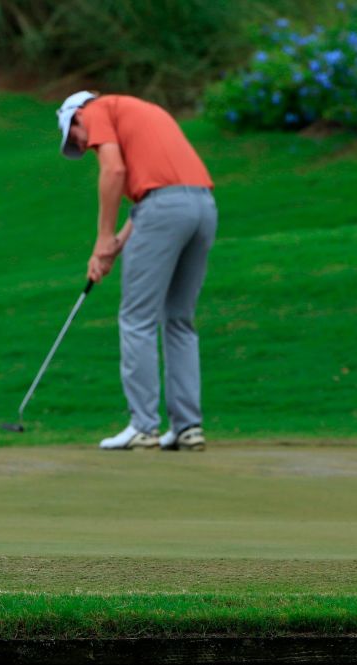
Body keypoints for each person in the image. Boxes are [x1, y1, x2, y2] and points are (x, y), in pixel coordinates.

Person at [56, 91, 217, 451]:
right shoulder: (143, 110)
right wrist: (114, 246)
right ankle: (188, 428)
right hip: (203, 207)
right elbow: (152, 199)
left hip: (165, 210)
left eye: (74, 137)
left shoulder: (96, 110)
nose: (84, 146)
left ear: (77, 116)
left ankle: (143, 426)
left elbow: (115, 171)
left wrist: (101, 237)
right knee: (179, 319)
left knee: (136, 319)